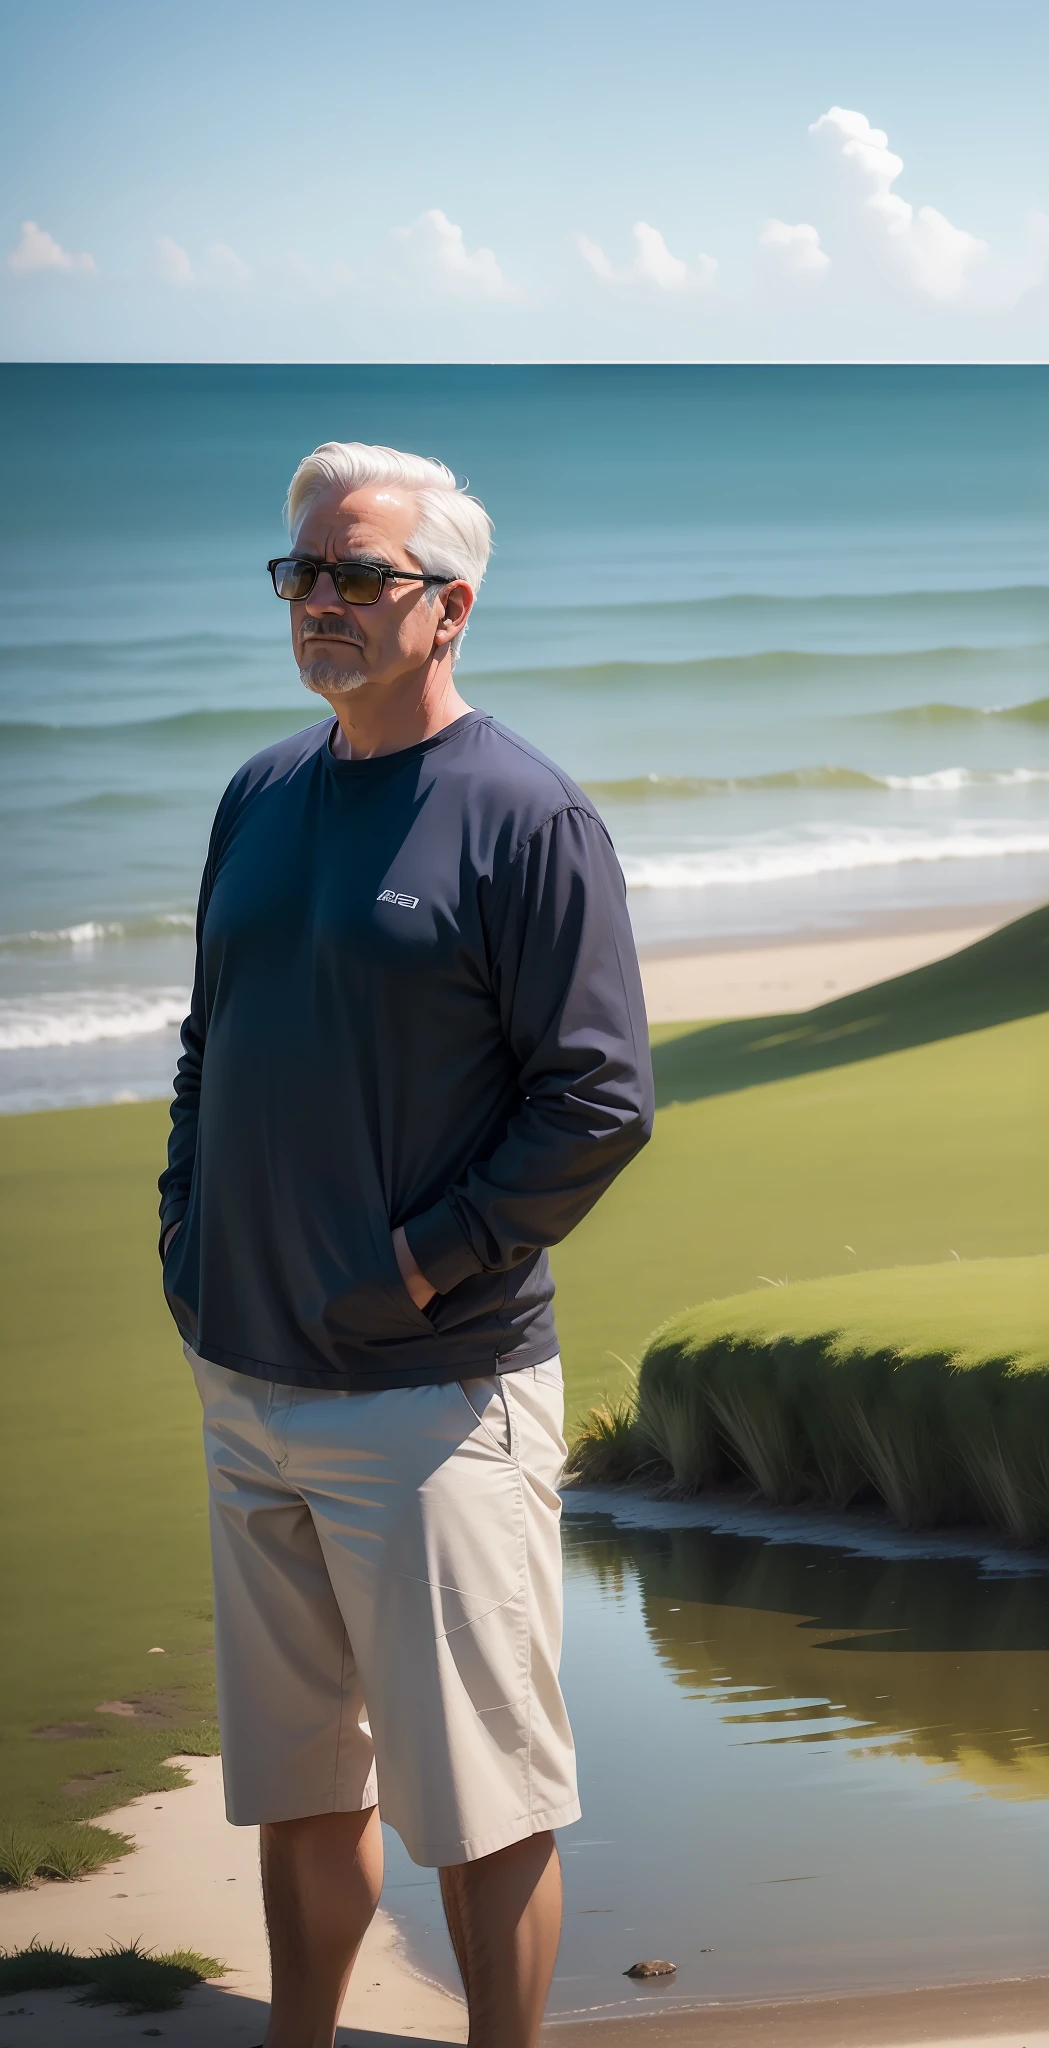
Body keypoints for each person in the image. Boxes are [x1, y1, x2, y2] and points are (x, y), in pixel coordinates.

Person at [159, 442, 653, 2044]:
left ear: (450, 607)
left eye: (358, 576)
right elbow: (207, 1044)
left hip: (436, 1399)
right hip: (250, 1382)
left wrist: (427, 1263)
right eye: (301, 572)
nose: (320, 602)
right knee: (298, 1789)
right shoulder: (260, 792)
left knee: (484, 1804)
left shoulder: (527, 817)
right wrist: (189, 1239)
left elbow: (597, 1101)